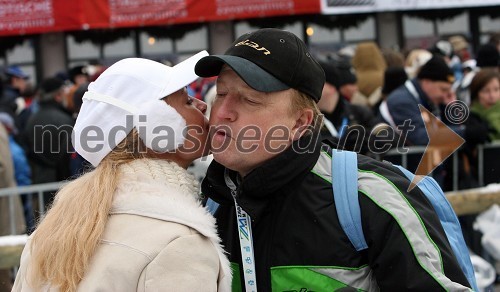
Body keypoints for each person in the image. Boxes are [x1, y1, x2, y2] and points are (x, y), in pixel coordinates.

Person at [195, 28, 472, 291]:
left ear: (300, 122)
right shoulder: (207, 203)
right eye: (221, 93)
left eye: (250, 100)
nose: (222, 113)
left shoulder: (370, 197)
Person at [13, 52, 231, 291]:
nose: (201, 105)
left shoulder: (51, 229)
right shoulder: (179, 242)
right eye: (187, 101)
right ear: (158, 128)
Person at [470, 69, 500, 141]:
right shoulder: (471, 119)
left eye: (496, 90)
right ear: (476, 94)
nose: (492, 96)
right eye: (486, 91)